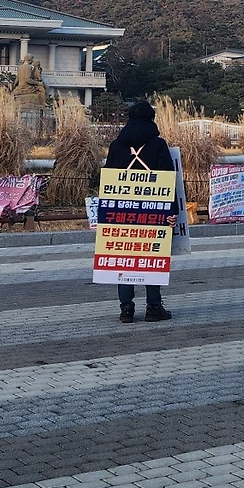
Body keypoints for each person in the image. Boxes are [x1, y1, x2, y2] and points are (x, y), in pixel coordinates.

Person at [105, 101, 174, 324]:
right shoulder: (158, 145)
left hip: (122, 212)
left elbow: (108, 179)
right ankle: (154, 307)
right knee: (152, 257)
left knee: (124, 259)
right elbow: (168, 180)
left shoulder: (116, 146)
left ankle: (126, 308)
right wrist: (171, 212)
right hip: (153, 212)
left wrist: (106, 215)